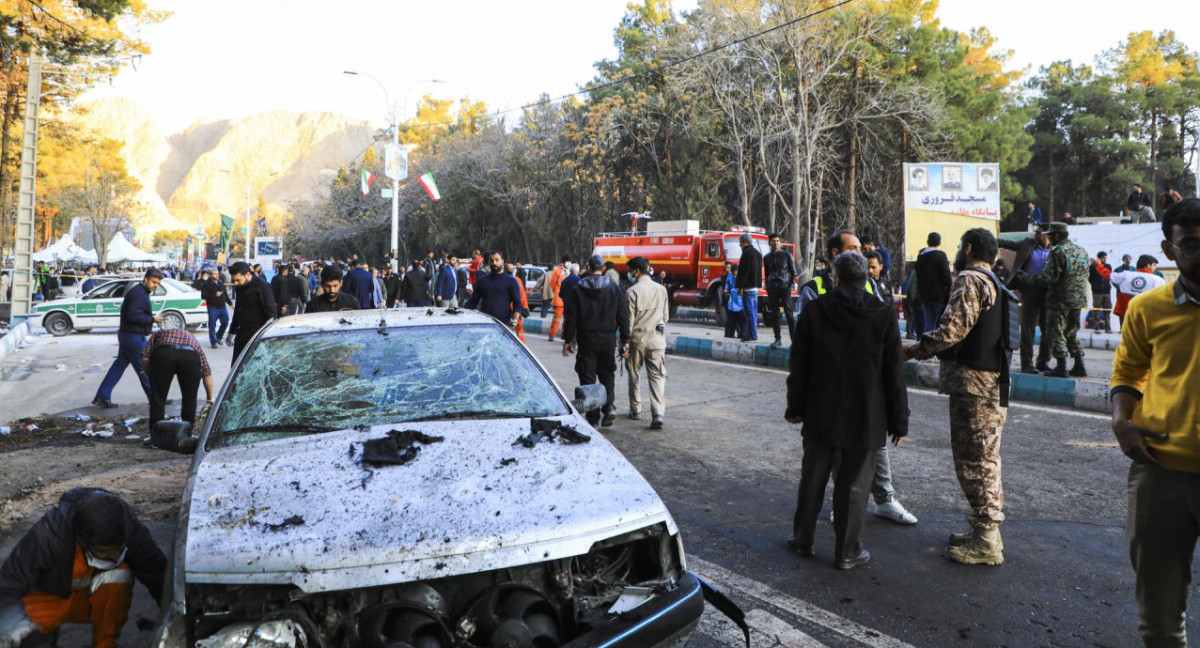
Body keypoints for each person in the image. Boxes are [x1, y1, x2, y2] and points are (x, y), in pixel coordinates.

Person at [1109, 198, 1200, 647]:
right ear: (1169, 249)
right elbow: (1127, 373)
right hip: (1162, 470)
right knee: (1160, 622)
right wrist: (1122, 421)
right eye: (1192, 244)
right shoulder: (1148, 309)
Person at [786, 252, 908, 570]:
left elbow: (799, 365)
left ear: (835, 278)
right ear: (866, 279)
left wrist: (794, 406)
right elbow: (893, 373)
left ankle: (803, 539)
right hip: (866, 416)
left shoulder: (814, 311)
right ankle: (847, 552)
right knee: (854, 486)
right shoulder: (883, 314)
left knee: (812, 478)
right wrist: (900, 420)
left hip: (820, 410)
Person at [907, 228, 1013, 565]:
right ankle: (983, 531)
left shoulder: (970, 279)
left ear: (968, 248)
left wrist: (914, 349)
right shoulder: (994, 280)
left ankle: (986, 542)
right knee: (983, 457)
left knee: (976, 461)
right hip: (990, 382)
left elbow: (951, 331)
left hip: (975, 385)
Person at [798, 230, 915, 526]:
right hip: (830, 386)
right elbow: (805, 344)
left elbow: (882, 333)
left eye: (861, 249)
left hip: (865, 384)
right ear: (836, 254)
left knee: (875, 445)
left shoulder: (870, 285)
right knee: (838, 448)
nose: (861, 253)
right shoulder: (814, 288)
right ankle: (844, 502)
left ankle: (885, 499)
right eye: (853, 249)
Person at [0, 489, 167, 648]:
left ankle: (105, 644)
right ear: (82, 539)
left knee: (119, 575)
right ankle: (42, 636)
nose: (115, 557)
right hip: (48, 599)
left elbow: (160, 578)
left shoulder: (131, 530)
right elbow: (7, 587)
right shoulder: (47, 536)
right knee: (9, 634)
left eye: (120, 547)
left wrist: (179, 618)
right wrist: (27, 637)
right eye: (104, 551)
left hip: (89, 600)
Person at [562, 255, 629, 428]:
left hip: (586, 340)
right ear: (603, 268)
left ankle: (593, 416)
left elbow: (571, 317)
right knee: (607, 374)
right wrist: (625, 339)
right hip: (607, 339)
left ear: (589, 267)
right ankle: (609, 408)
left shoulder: (578, 289)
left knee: (587, 376)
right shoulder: (615, 289)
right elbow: (623, 316)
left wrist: (568, 340)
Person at [1022, 222, 1090, 378]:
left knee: (1056, 332)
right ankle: (1080, 365)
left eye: (1050, 235)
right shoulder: (1081, 251)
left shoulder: (1058, 252)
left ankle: (1061, 367)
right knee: (1072, 333)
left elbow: (1049, 278)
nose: (1049, 238)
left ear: (1057, 235)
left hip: (1059, 300)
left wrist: (1028, 279)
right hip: (1078, 300)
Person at [91, 268, 162, 409]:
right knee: (145, 367)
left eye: (158, 283)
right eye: (154, 282)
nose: (155, 286)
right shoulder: (138, 294)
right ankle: (156, 398)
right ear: (145, 279)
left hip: (128, 335)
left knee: (118, 366)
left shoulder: (140, 293)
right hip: (133, 337)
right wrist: (152, 319)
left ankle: (102, 396)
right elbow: (133, 316)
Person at [999, 225, 1053, 373]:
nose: (1038, 234)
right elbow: (1007, 244)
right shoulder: (1028, 243)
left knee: (1047, 328)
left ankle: (1043, 362)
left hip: (1048, 291)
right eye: (1037, 232)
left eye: (1041, 232)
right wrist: (990, 240)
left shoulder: (1056, 249)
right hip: (1029, 289)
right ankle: (1027, 364)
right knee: (1027, 328)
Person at [624, 256, 669, 429]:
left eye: (630, 270)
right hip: (657, 339)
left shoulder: (632, 292)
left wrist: (625, 341)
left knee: (634, 372)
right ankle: (658, 412)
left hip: (638, 339)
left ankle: (635, 409)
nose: (629, 274)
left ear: (636, 271)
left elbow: (629, 322)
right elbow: (665, 317)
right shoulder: (661, 289)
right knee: (657, 376)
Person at [142, 327, 214, 427]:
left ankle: (155, 437)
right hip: (190, 356)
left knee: (158, 400)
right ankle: (186, 435)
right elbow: (206, 373)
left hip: (164, 354)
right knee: (190, 399)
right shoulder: (192, 338)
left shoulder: (159, 332)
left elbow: (145, 358)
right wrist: (210, 398)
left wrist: (151, 373)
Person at [1093, 254, 1166, 329]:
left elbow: (1108, 275)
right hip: (1146, 318)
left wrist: (1098, 266)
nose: (1155, 268)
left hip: (1127, 316)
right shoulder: (1158, 280)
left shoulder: (1126, 275)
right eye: (1154, 265)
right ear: (1148, 265)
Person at [225, 261, 276, 365]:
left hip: (257, 335)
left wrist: (265, 336)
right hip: (241, 334)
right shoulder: (240, 287)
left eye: (238, 280)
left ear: (248, 274)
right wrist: (231, 331)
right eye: (234, 281)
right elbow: (238, 310)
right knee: (237, 367)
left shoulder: (263, 287)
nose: (236, 283)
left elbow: (271, 315)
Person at [463, 250, 526, 329]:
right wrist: (461, 312)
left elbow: (517, 304)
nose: (494, 263)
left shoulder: (511, 281)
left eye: (497, 260)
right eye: (491, 260)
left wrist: (515, 319)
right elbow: (472, 301)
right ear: (488, 262)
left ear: (502, 261)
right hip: (485, 325)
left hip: (504, 326)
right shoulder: (482, 281)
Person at [763, 232, 798, 348]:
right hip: (772, 288)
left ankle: (794, 340)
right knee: (775, 315)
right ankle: (777, 339)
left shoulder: (787, 255)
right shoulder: (767, 257)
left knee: (789, 314)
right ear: (770, 242)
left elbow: (794, 273)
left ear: (780, 242)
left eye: (777, 240)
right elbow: (767, 273)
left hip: (785, 288)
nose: (776, 243)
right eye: (773, 241)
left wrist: (790, 287)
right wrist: (767, 287)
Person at [915, 232, 952, 334]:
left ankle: (926, 345)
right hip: (939, 295)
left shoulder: (921, 257)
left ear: (927, 241)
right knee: (941, 323)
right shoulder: (941, 256)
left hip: (924, 295)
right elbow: (946, 276)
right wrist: (950, 289)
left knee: (928, 323)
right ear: (939, 242)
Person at [735, 233, 762, 342]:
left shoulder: (746, 253)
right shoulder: (758, 253)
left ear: (745, 242)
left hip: (748, 287)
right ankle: (753, 333)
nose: (740, 244)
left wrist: (740, 287)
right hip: (756, 287)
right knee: (754, 312)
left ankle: (752, 335)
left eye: (740, 242)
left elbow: (744, 272)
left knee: (749, 312)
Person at [200, 270, 232, 349]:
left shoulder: (220, 283)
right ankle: (213, 342)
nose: (217, 275)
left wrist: (230, 303)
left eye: (217, 274)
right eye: (215, 274)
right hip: (213, 308)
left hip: (222, 307)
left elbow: (225, 294)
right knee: (212, 325)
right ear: (211, 275)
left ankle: (219, 337)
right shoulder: (206, 284)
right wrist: (214, 295)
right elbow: (203, 296)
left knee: (225, 322)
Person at [1087, 251, 1113, 332]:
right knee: (1096, 310)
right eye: (1103, 258)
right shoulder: (1092, 267)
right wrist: (1095, 285)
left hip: (1106, 291)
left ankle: (1107, 327)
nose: (1105, 259)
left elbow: (1108, 275)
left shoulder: (1108, 266)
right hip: (1097, 292)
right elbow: (1089, 278)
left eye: (1105, 258)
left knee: (1107, 310)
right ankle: (1096, 326)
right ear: (1098, 258)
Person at [547, 255, 570, 342]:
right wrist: (556, 292)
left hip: (567, 299)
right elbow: (552, 283)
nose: (569, 263)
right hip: (559, 299)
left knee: (567, 319)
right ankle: (552, 334)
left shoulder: (569, 271)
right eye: (567, 261)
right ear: (563, 262)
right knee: (556, 319)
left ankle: (564, 335)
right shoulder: (557, 271)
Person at [721, 261, 745, 339]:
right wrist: (726, 289)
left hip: (740, 300)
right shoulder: (730, 275)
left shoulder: (742, 275)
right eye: (733, 273)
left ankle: (742, 334)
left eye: (736, 273)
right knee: (730, 320)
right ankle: (729, 334)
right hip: (732, 300)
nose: (735, 275)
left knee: (741, 320)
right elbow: (728, 284)